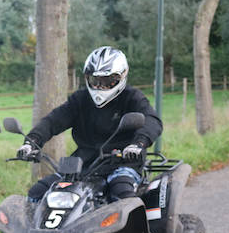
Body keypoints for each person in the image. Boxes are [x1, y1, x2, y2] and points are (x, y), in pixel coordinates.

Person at [17, 46, 163, 203]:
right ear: (87, 78)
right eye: (95, 80)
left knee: (123, 193)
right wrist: (31, 142)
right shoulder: (80, 99)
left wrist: (138, 144)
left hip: (122, 164)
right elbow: (52, 121)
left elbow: (151, 120)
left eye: (107, 81)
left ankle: (136, 228)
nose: (100, 86)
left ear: (121, 77)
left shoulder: (132, 98)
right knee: (36, 194)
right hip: (82, 166)